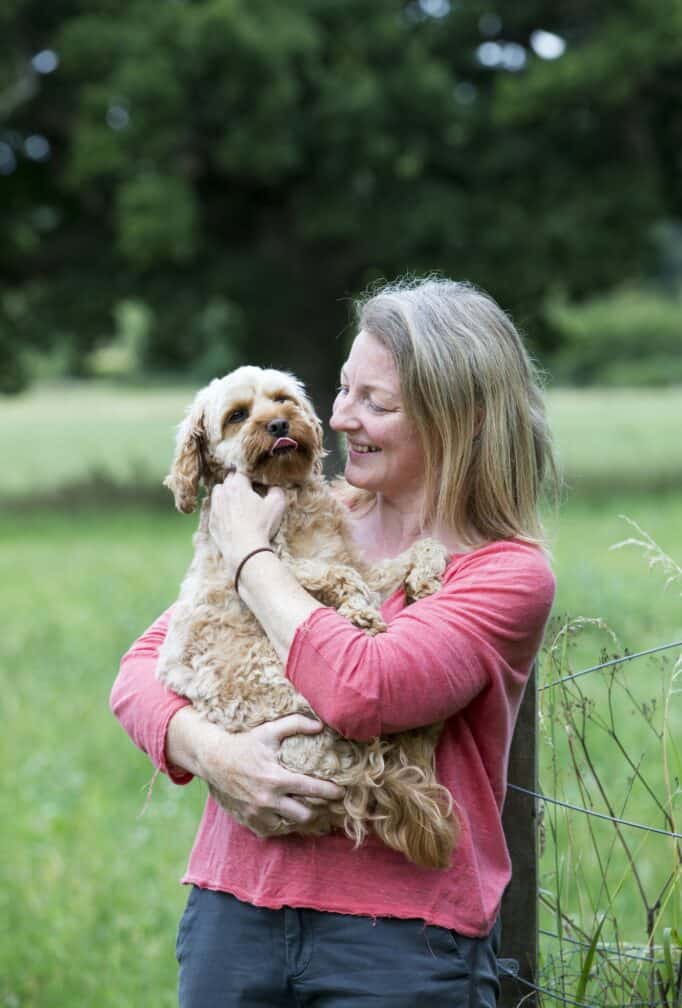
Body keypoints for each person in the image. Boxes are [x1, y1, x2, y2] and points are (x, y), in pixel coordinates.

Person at [111, 276, 557, 1007]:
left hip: (402, 947)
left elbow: (365, 690)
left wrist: (251, 558)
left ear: (466, 418)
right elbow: (138, 674)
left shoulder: (504, 573)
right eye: (343, 391)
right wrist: (218, 757)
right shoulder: (308, 509)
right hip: (235, 911)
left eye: (375, 403)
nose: (341, 417)